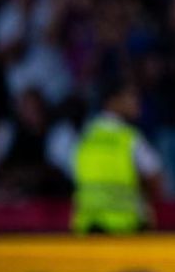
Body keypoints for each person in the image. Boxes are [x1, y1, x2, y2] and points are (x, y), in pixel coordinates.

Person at [70, 80, 163, 234]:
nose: (137, 102)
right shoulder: (130, 138)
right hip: (127, 228)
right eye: (131, 96)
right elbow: (156, 180)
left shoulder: (84, 138)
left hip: (89, 230)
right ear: (113, 101)